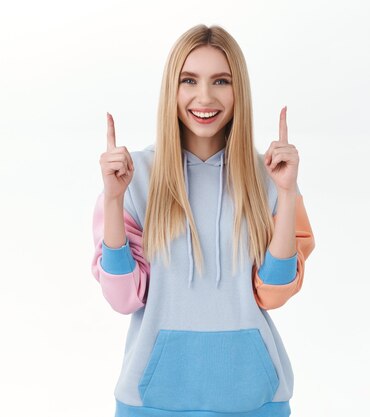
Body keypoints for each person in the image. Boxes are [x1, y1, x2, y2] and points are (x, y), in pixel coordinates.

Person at [91, 24, 315, 417]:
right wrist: (113, 200)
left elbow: (274, 292)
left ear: (238, 90)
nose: (205, 96)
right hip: (153, 404)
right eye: (189, 80)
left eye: (221, 81)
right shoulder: (135, 177)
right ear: (172, 90)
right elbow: (123, 296)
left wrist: (285, 192)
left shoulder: (269, 178)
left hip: (254, 402)